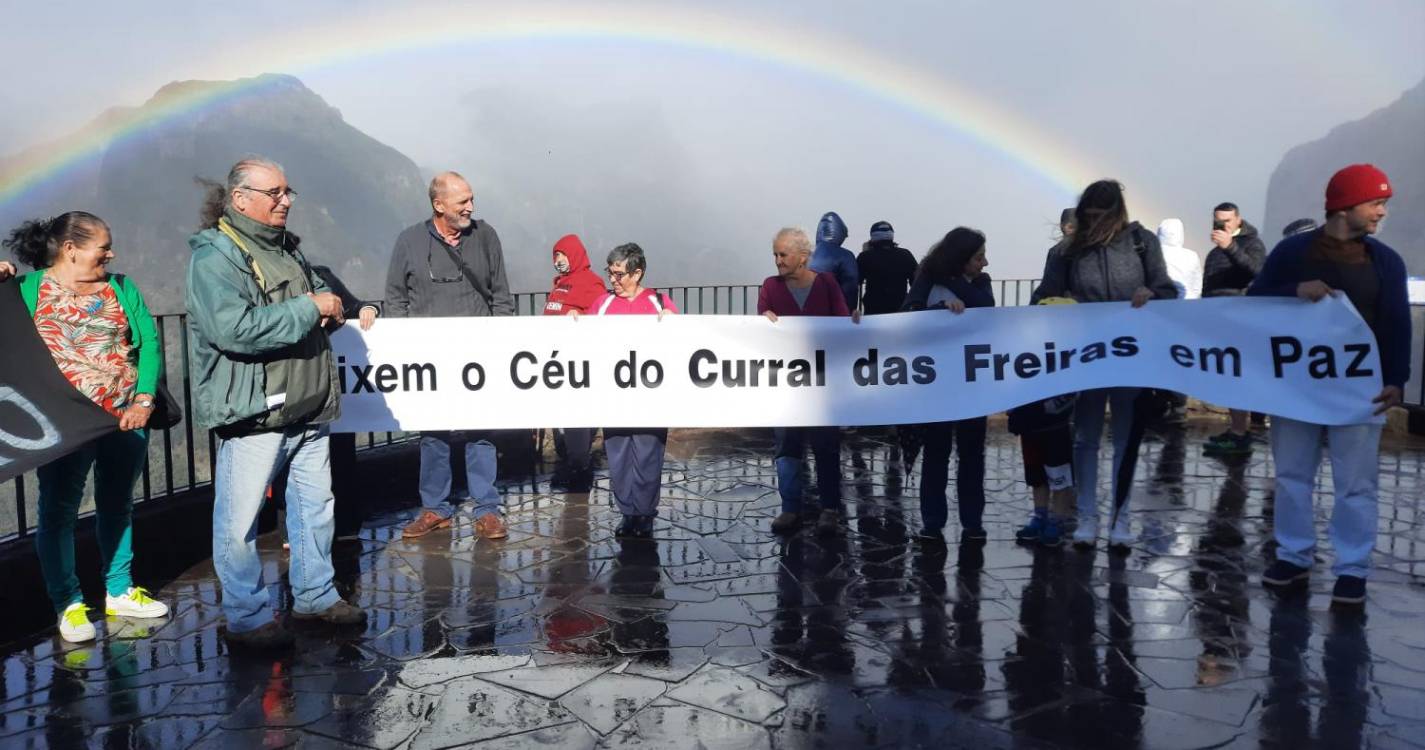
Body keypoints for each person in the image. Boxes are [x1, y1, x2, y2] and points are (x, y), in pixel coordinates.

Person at [187, 157, 365, 650]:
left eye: (288, 192)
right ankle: (246, 619)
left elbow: (317, 292)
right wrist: (309, 308)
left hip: (307, 405)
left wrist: (323, 304)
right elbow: (233, 328)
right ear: (240, 199)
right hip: (256, 412)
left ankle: (315, 596)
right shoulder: (215, 257)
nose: (286, 201)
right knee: (239, 522)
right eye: (275, 193)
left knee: (314, 508)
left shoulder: (284, 247)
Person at [3, 212, 170, 644]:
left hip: (125, 417)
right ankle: (68, 604)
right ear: (71, 249)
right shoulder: (27, 289)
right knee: (58, 511)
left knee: (118, 503)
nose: (111, 254)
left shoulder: (122, 287)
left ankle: (119, 590)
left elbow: (148, 342)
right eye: (103, 246)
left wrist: (144, 399)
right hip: (65, 423)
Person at [1250, 164, 1407, 605]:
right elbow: (1255, 300)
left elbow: (1396, 323)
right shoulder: (1291, 253)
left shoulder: (1386, 261)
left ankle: (1352, 569)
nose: (1382, 212)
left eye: (1383, 204)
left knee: (1356, 483)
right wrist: (1294, 290)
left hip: (1359, 391)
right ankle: (1293, 557)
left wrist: (1396, 379)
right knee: (1292, 476)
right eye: (1375, 203)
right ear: (1345, 206)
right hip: (1296, 388)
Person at [365, 172, 515, 540]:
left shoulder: (485, 236)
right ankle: (435, 508)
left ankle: (487, 509)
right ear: (439, 204)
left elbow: (501, 294)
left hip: (478, 355)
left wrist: (501, 342)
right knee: (433, 434)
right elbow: (396, 298)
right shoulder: (409, 241)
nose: (470, 207)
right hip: (427, 359)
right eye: (462, 201)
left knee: (481, 431)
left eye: (471, 199)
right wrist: (402, 350)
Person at [1033, 179, 1176, 549]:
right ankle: (1087, 517)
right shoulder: (1066, 251)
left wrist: (1152, 293)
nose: (1094, 223)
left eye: (1101, 217)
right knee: (1085, 439)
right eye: (1089, 216)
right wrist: (1060, 303)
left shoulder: (1143, 242)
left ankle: (1120, 518)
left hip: (1131, 356)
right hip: (1088, 356)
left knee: (1126, 440)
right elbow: (1043, 297)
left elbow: (1167, 290)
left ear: (1116, 214)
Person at [571, 243, 677, 538]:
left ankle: (644, 513)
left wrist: (672, 321)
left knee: (648, 454)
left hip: (650, 398)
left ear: (637, 273)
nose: (613, 280)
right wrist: (575, 320)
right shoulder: (602, 304)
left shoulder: (659, 302)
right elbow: (584, 336)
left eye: (619, 274)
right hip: (613, 398)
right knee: (618, 455)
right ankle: (628, 513)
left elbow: (679, 340)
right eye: (610, 273)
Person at [901, 228, 993, 544]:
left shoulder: (980, 282)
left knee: (972, 454)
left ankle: (972, 521)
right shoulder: (926, 278)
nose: (984, 263)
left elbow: (985, 307)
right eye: (978, 257)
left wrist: (951, 282)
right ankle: (932, 520)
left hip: (971, 381)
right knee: (936, 452)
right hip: (936, 382)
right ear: (961, 258)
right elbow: (910, 312)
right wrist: (940, 312)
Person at [760, 227, 853, 536]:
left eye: (783, 254)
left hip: (822, 384)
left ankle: (830, 508)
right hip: (786, 384)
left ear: (802, 257)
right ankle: (790, 508)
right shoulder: (770, 286)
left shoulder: (826, 284)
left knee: (826, 446)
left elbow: (841, 322)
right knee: (787, 446)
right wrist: (763, 321)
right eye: (775, 254)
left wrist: (855, 324)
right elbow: (760, 323)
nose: (778, 260)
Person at [1201, 202, 1268, 455]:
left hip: (1240, 320)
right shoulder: (1214, 252)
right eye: (1218, 221)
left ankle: (1240, 433)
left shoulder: (1252, 244)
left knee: (1237, 376)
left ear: (1239, 220)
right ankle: (1236, 429)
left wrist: (1230, 247)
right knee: (1227, 377)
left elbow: (1257, 271)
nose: (1222, 225)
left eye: (1227, 221)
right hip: (1217, 320)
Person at [544, 234, 606, 491]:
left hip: (579, 363)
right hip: (557, 362)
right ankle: (570, 464)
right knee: (563, 419)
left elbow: (600, 314)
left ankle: (580, 471)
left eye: (562, 254)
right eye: (556, 255)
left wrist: (580, 316)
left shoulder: (591, 283)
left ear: (575, 255)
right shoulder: (560, 284)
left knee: (577, 418)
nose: (558, 260)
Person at [856, 220, 918, 315]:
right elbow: (916, 282)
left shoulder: (865, 257)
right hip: (901, 309)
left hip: (874, 310)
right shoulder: (905, 254)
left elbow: (856, 281)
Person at [809, 212, 859, 313]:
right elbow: (851, 287)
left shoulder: (804, 254)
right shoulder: (845, 256)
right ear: (839, 233)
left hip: (805, 312)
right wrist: (849, 313)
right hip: (832, 312)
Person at [1156, 218, 1202, 300]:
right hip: (1188, 301)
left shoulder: (1153, 255)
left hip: (1161, 302)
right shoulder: (1192, 256)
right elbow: (1197, 286)